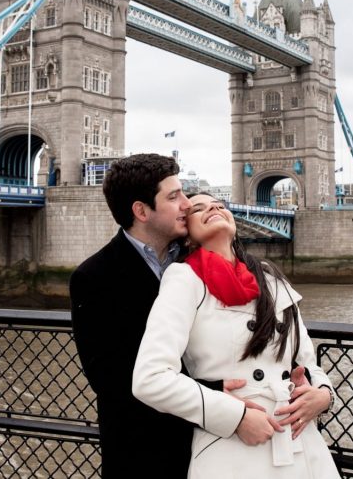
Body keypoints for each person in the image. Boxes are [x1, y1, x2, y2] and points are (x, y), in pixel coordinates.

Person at [132, 193, 340, 478]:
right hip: (232, 447)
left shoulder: (271, 278)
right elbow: (150, 379)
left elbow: (307, 361)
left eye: (219, 205)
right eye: (199, 208)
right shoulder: (184, 279)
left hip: (301, 444)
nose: (214, 208)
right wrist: (235, 417)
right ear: (188, 235)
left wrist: (324, 396)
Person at [69, 153, 197, 477]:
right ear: (141, 211)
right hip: (143, 455)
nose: (187, 204)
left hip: (214, 451)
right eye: (174, 196)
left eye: (184, 192)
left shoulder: (200, 260)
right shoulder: (93, 278)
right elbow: (111, 382)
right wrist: (221, 396)